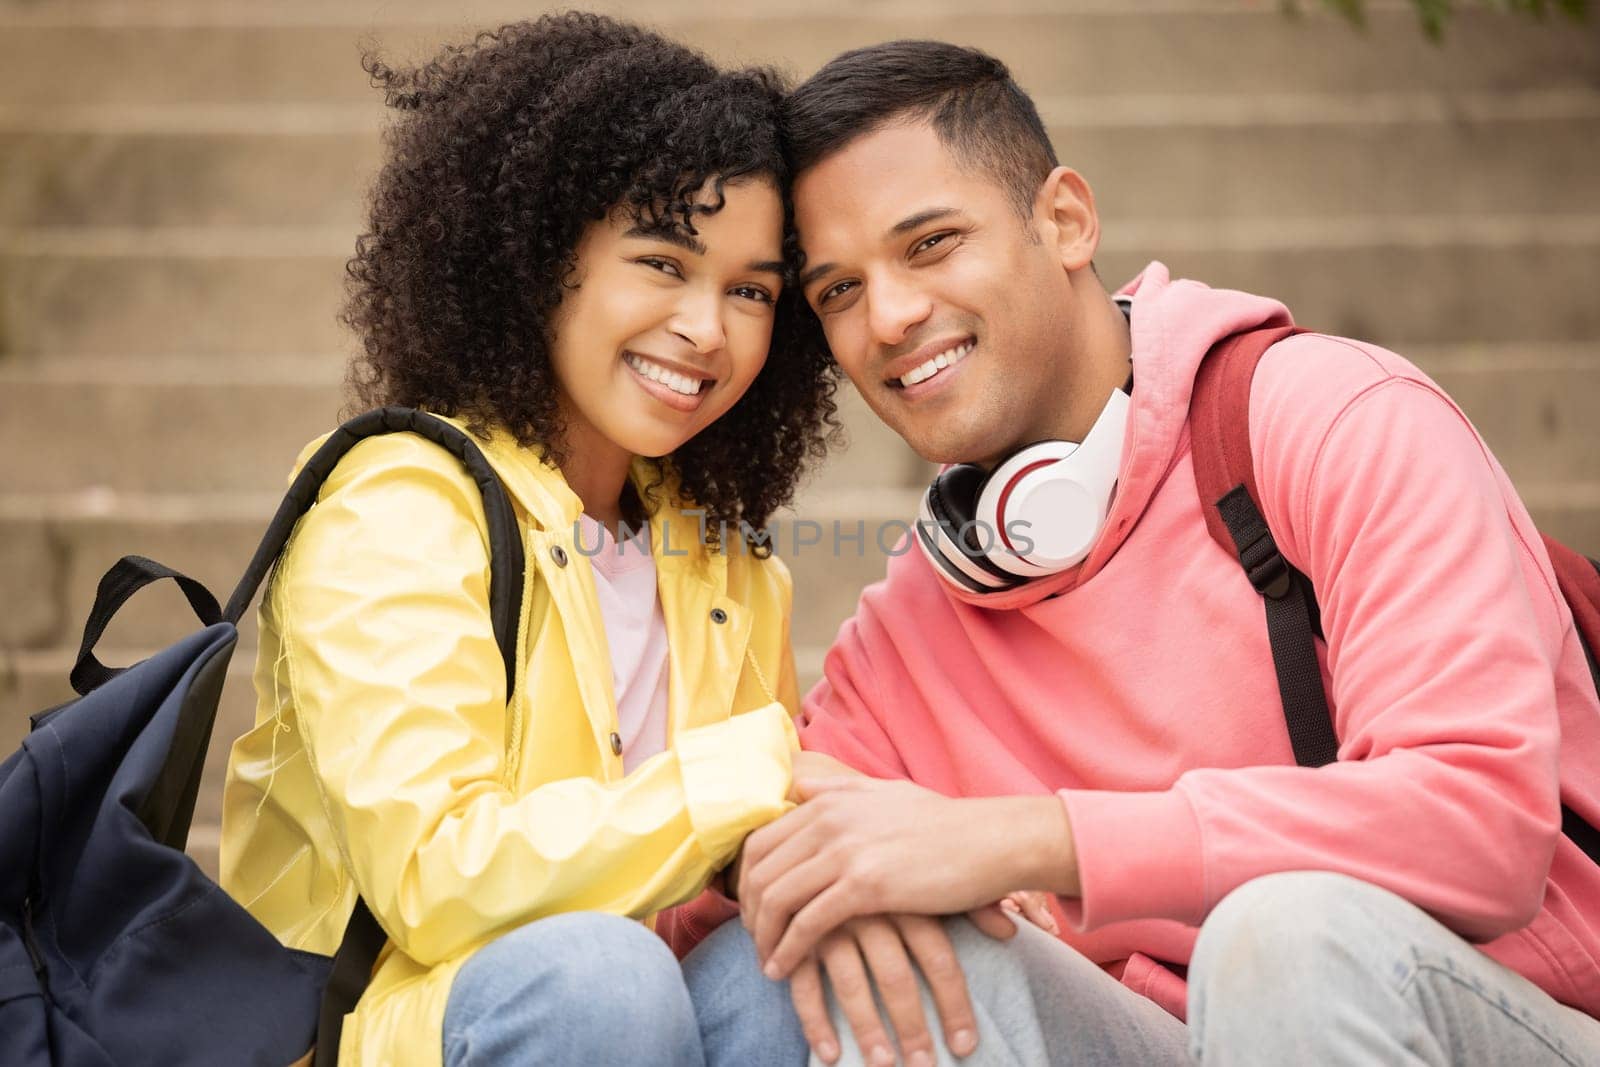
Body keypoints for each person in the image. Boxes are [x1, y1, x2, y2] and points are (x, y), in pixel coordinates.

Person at [729, 39, 1600, 1066]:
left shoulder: (1333, 420)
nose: (889, 316)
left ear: (1064, 219)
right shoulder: (905, 638)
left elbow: (1480, 827)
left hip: (1497, 1013)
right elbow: (730, 900)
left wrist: (1036, 838)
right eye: (837, 290)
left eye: (930, 243)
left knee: (1281, 943)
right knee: (832, 951)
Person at [216, 15, 841, 1066]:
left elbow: (736, 853)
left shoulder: (722, 555)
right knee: (603, 977)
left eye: (750, 290)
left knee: (802, 967)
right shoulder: (398, 503)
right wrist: (753, 770)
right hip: (378, 1031)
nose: (707, 328)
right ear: (540, 259)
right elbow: (433, 879)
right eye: (661, 262)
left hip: (618, 1022)